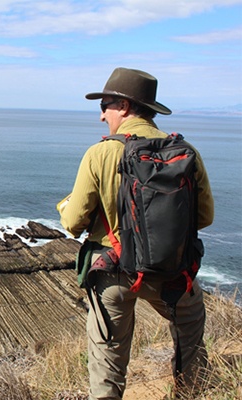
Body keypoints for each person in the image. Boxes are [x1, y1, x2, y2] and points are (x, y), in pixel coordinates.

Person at [57, 67, 214, 399]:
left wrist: (64, 205)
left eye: (106, 106)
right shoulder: (186, 153)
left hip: (114, 273)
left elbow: (72, 223)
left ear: (124, 107)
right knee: (190, 337)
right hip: (173, 272)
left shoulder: (100, 153)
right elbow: (205, 217)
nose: (102, 117)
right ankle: (189, 392)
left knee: (107, 363)